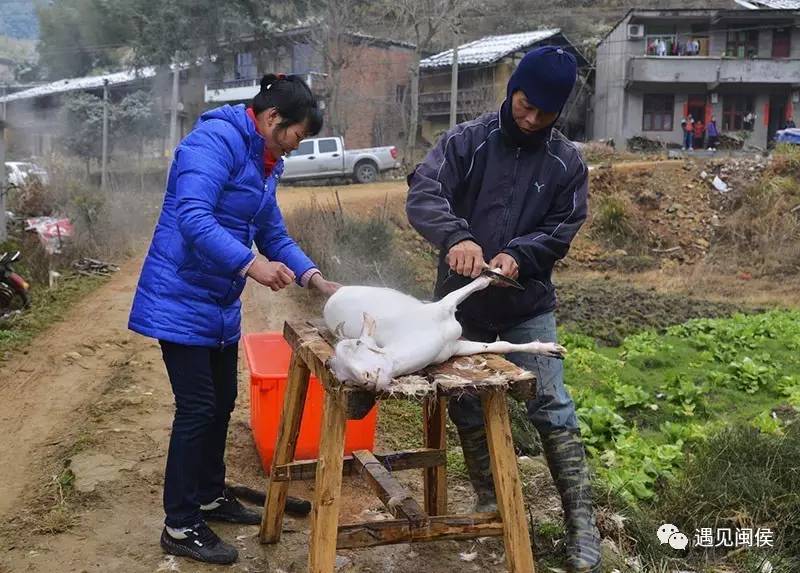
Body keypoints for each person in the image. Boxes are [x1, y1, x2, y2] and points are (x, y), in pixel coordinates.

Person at [128, 74, 341, 565]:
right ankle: (180, 524)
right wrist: (251, 265)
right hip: (180, 294)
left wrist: (313, 277)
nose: (296, 147)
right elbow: (194, 217)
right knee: (198, 406)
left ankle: (208, 495)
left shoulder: (266, 161)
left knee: (222, 400)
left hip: (216, 300)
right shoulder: (214, 142)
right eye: (296, 135)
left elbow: (270, 229)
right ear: (271, 120)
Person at [406, 46, 600, 573]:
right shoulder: (466, 141)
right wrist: (456, 238)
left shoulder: (566, 162)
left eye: (545, 113)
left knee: (552, 404)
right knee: (466, 402)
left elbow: (561, 228)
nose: (531, 118)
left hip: (526, 305)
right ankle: (490, 502)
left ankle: (583, 527)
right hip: (460, 306)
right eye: (524, 103)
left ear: (559, 113)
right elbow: (423, 192)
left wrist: (519, 255)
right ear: (512, 88)